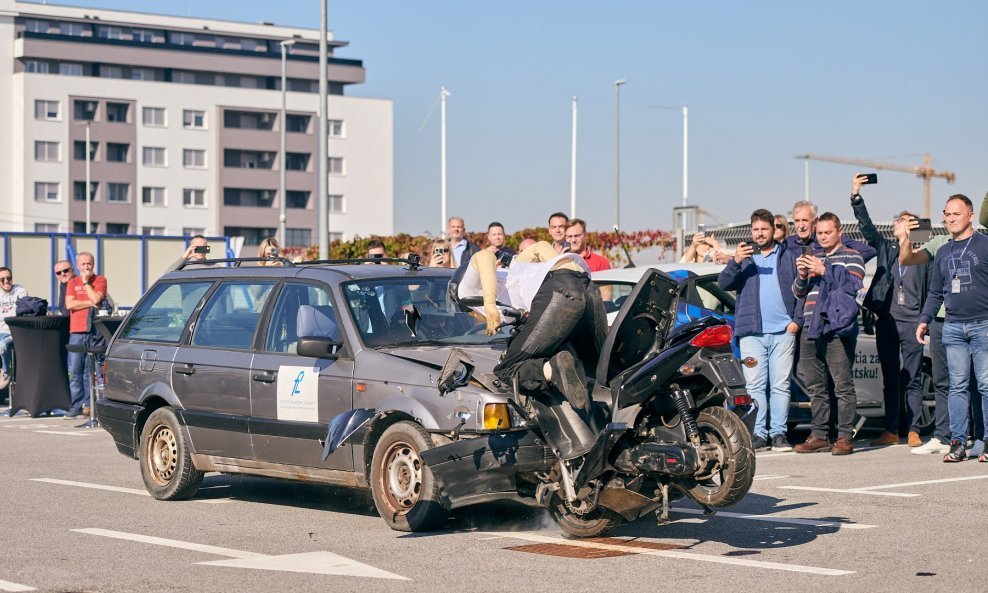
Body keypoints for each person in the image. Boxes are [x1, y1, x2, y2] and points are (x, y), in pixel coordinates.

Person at [457, 241, 605, 418]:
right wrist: (568, 275)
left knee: (506, 369)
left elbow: (485, 256)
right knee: (599, 369)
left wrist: (489, 304)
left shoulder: (464, 291)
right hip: (588, 287)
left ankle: (553, 369)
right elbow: (541, 246)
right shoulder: (517, 272)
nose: (475, 319)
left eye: (471, 315)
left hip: (561, 290)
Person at [900, 190, 988, 456]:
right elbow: (936, 292)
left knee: (984, 384)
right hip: (952, 326)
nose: (950, 218)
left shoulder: (984, 244)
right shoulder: (943, 249)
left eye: (956, 214)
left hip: (983, 324)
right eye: (947, 214)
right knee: (957, 386)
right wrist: (924, 319)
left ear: (971, 216)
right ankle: (958, 442)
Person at [850, 175, 933, 448]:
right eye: (899, 220)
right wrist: (856, 196)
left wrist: (926, 319)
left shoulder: (922, 255)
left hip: (913, 322)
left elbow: (931, 287)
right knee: (889, 377)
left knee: (912, 378)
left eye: (906, 221)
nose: (900, 223)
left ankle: (913, 429)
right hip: (887, 320)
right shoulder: (885, 248)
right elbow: (867, 227)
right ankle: (890, 430)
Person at [718, 210, 799, 452]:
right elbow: (723, 284)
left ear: (774, 230)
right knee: (754, 386)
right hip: (752, 333)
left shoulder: (788, 255)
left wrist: (796, 320)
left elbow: (802, 288)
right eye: (756, 230)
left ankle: (779, 434)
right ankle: (758, 434)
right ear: (751, 232)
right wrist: (735, 262)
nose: (760, 234)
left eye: (764, 229)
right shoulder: (746, 259)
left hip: (783, 332)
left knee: (781, 385)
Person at [791, 213, 865, 456]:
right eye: (819, 233)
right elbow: (799, 293)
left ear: (839, 232)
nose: (822, 237)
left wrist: (825, 270)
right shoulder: (814, 256)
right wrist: (802, 276)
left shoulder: (852, 256)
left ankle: (844, 436)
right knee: (816, 387)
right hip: (811, 326)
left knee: (842, 386)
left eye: (827, 232)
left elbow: (853, 285)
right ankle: (820, 435)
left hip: (836, 328)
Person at [64, 252, 107, 419]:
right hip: (76, 331)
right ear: (77, 265)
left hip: (95, 332)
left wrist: (87, 283)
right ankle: (76, 407)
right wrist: (90, 302)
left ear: (93, 264)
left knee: (96, 371)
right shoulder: (72, 282)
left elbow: (97, 298)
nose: (86, 267)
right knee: (76, 371)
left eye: (88, 264)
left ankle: (96, 407)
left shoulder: (100, 280)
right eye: (82, 264)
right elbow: (69, 304)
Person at [786, 200, 877, 263]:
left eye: (805, 220)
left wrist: (845, 267)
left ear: (815, 221)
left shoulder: (830, 239)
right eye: (797, 221)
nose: (801, 226)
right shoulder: (787, 243)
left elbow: (869, 251)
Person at [0, 267, 29, 390]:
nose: (6, 281)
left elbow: (23, 311)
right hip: (1, 331)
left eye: (9, 278)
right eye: (2, 279)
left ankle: (6, 372)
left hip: (15, 330)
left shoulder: (20, 291)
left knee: (2, 344)